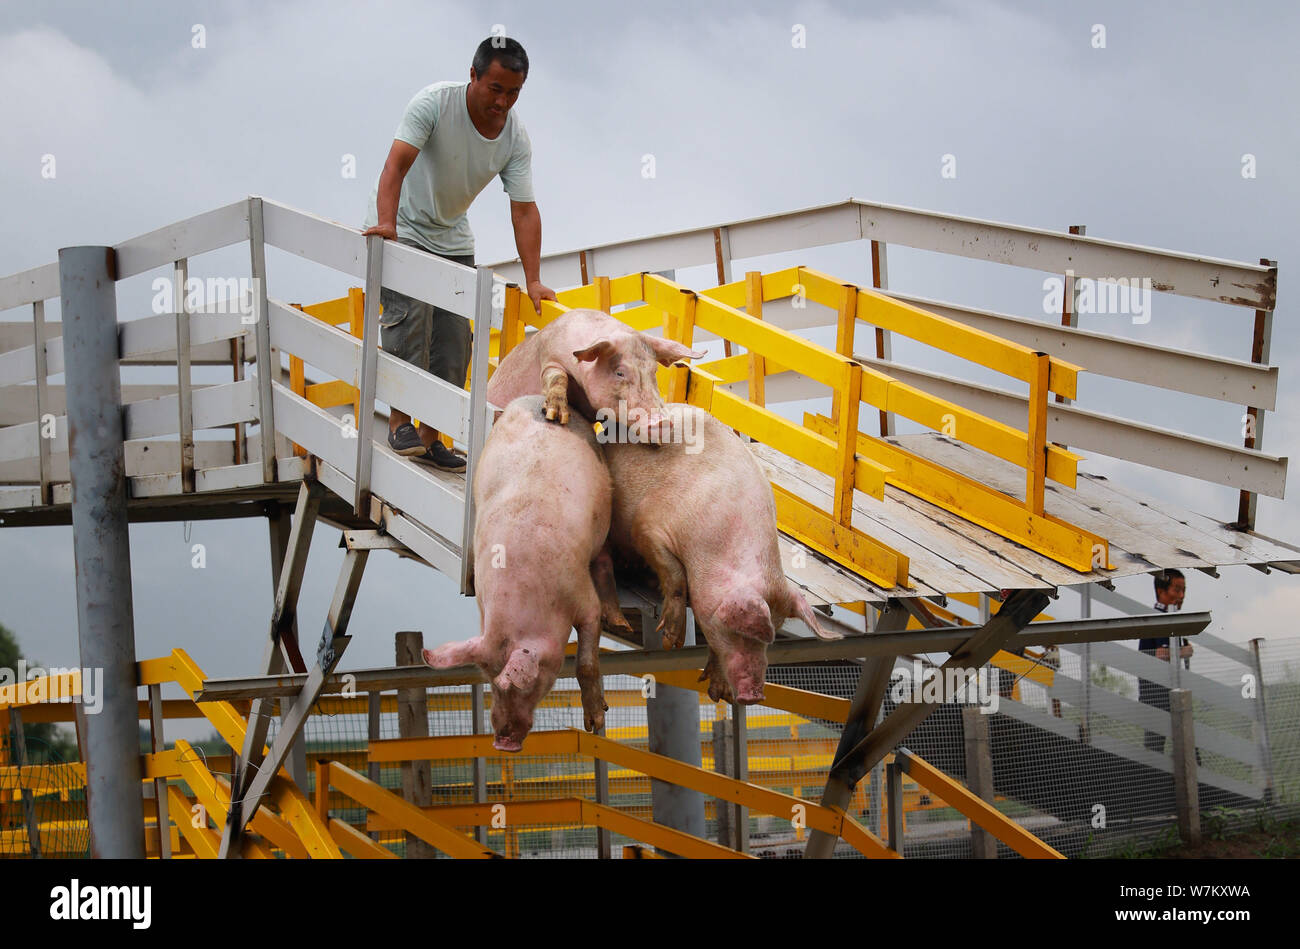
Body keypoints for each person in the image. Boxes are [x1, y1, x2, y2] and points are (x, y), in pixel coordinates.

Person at [362, 36, 556, 470]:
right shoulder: (434, 103)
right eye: (496, 89)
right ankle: (399, 424)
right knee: (408, 322)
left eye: (513, 93)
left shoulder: (514, 138)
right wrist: (389, 224)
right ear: (473, 76)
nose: (503, 102)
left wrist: (534, 279)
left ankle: (432, 438)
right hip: (406, 228)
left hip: (453, 239)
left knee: (453, 340)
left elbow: (524, 210)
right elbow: (395, 165)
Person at [1137, 569, 1194, 755]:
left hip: (1165, 692)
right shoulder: (1158, 618)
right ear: (1161, 591)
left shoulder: (1169, 619)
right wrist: (1182, 652)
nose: (1181, 595)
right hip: (1157, 694)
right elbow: (1161, 654)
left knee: (1174, 745)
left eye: (1184, 590)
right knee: (1163, 745)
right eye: (1177, 589)